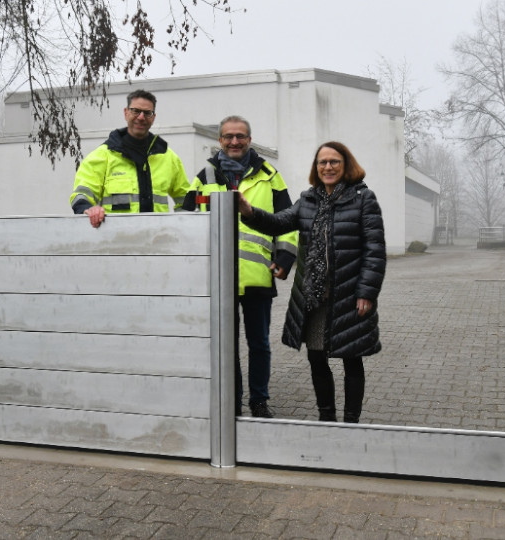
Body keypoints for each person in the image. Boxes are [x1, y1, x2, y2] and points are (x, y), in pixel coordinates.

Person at [237, 141, 385, 423]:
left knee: (351, 359)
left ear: (346, 165)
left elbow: (374, 251)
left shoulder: (363, 199)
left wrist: (367, 292)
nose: (327, 167)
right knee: (317, 358)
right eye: (322, 163)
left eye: (334, 162)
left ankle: (351, 421)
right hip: (314, 298)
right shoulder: (308, 199)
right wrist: (249, 212)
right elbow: (279, 222)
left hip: (349, 296)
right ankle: (326, 419)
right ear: (316, 168)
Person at [183, 116, 298, 418]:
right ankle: (230, 401)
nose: (234, 142)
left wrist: (285, 256)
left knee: (259, 344)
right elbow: (186, 224)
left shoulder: (270, 175)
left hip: (257, 276)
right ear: (219, 140)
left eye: (240, 136)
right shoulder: (204, 176)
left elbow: (288, 220)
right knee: (226, 345)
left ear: (250, 139)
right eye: (228, 136)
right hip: (217, 278)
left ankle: (259, 401)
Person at [70, 89, 190, 226]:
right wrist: (88, 209)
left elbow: (186, 200)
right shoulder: (102, 156)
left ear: (153, 117)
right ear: (126, 113)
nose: (141, 117)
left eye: (147, 113)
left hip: (158, 241)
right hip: (116, 241)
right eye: (135, 111)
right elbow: (82, 194)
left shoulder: (169, 158)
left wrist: (182, 226)